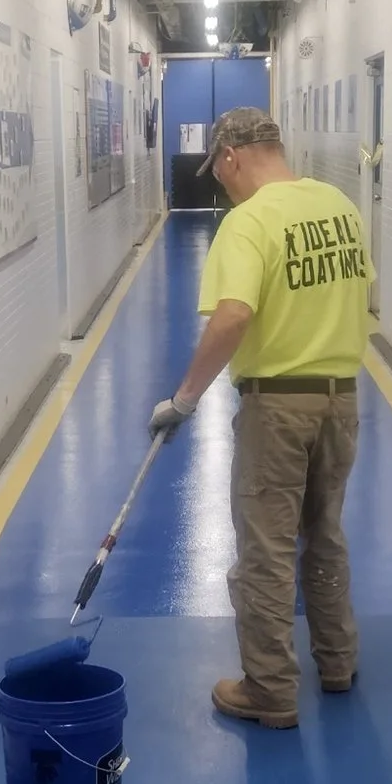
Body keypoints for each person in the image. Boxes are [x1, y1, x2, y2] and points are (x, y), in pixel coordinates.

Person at [151, 106, 373, 728]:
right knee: (324, 534)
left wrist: (186, 397)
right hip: (341, 400)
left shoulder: (249, 224)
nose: (221, 184)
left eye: (219, 173)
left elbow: (234, 316)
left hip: (276, 407)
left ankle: (269, 688)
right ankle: (337, 662)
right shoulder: (339, 208)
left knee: (266, 551)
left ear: (231, 156)